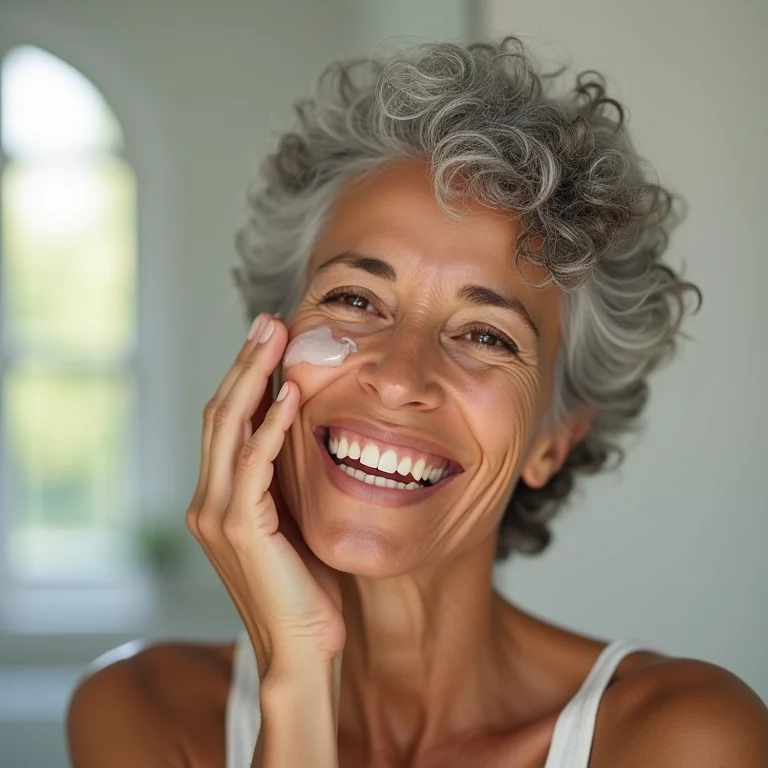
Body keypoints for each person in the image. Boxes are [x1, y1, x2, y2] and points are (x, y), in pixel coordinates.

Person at [66, 37, 768, 767]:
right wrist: (299, 675)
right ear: (268, 359)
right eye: (355, 298)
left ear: (554, 440)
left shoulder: (683, 738)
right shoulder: (143, 709)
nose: (400, 377)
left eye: (487, 337)